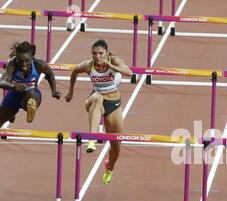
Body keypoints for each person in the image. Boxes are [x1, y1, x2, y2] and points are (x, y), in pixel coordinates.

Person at [65, 39, 133, 185]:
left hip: (113, 103)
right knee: (97, 98)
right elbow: (74, 71)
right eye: (94, 54)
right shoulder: (88, 65)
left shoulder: (114, 60)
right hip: (94, 100)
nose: (97, 57)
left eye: (100, 53)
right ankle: (92, 139)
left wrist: (111, 65)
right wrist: (70, 91)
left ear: (107, 53)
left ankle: (109, 168)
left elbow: (129, 72)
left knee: (116, 147)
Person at [0, 41, 60, 126]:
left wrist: (54, 91)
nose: (23, 64)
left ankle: (31, 109)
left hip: (32, 95)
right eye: (20, 61)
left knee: (31, 94)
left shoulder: (39, 64)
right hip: (14, 94)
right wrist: (14, 87)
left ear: (32, 57)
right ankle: (12, 112)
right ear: (16, 58)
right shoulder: (12, 64)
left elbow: (49, 73)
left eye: (27, 60)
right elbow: (2, 82)